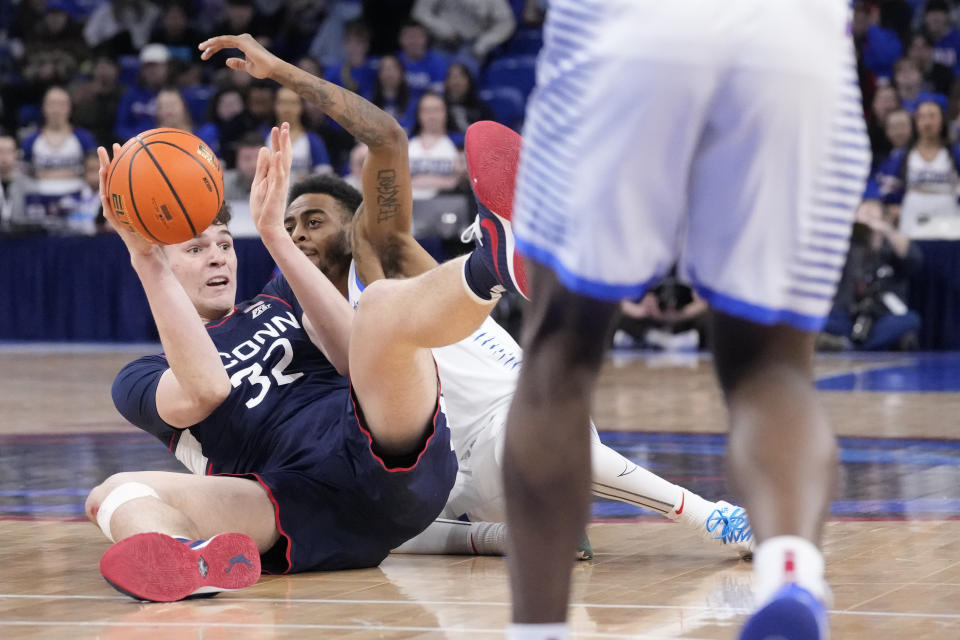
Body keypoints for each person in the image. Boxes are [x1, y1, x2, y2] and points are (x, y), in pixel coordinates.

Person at [214, 35, 753, 558]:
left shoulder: (378, 255)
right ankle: (513, 534)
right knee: (364, 508)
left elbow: (386, 138)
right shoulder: (300, 318)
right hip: (455, 478)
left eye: (314, 220)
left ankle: (712, 517)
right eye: (290, 226)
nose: (300, 233)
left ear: (353, 225)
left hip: (520, 414)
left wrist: (281, 71)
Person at [503, 2, 870, 640]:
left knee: (560, 349)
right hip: (795, 38)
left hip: (631, 28)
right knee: (773, 367)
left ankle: (540, 632)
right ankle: (793, 577)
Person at [85, 116, 465, 601]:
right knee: (112, 492)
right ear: (162, 260)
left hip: (382, 450)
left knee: (380, 307)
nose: (219, 257)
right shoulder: (141, 377)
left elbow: (357, 355)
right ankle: (186, 560)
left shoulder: (281, 294)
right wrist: (145, 260)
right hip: (291, 502)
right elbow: (207, 389)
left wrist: (275, 235)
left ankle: (482, 274)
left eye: (224, 243)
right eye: (196, 248)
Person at [878, 100, 960, 238]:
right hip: (913, 213)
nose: (927, 122)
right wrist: (891, 207)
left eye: (932, 116)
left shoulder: (954, 153)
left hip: (947, 212)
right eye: (921, 117)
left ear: (942, 120)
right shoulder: (904, 155)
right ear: (915, 122)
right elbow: (888, 187)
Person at [21, 86, 97, 230]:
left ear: (69, 108)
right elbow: (24, 171)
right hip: (39, 201)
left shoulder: (83, 138)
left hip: (77, 200)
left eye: (61, 104)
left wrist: (46, 174)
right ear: (44, 107)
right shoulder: (31, 140)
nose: (56, 109)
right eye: (52, 104)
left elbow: (95, 170)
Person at [264, 87, 332, 181]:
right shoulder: (263, 136)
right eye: (282, 102)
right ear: (275, 105)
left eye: (293, 103)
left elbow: (325, 175)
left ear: (301, 107)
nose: (287, 109)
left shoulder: (313, 140)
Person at [408, 92, 465, 200]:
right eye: (426, 111)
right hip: (409, 204)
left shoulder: (461, 143)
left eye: (436, 110)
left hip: (449, 203)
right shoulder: (405, 143)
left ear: (446, 113)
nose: (431, 115)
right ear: (418, 114)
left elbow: (464, 180)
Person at [114, 43, 171, 141]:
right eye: (148, 66)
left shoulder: (174, 95)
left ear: (166, 67)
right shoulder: (130, 95)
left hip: (167, 143)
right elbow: (120, 127)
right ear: (142, 69)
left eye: (157, 66)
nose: (152, 71)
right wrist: (138, 141)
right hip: (136, 145)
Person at [444, 62, 495, 148]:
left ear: (469, 80)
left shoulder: (482, 108)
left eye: (461, 77)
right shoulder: (441, 107)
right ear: (446, 82)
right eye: (453, 77)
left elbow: (491, 135)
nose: (457, 81)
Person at [397, 20, 449, 99]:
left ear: (425, 39)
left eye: (417, 37)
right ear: (401, 39)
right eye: (409, 37)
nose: (413, 41)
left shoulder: (439, 63)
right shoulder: (392, 62)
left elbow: (437, 96)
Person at [370, 55, 417, 134]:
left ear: (402, 73)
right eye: (384, 69)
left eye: (393, 68)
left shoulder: (413, 103)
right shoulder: (368, 103)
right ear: (379, 75)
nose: (389, 73)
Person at [0, 134, 29, 231]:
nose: (4, 156)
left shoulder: (29, 187)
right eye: (0, 151)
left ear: (16, 154)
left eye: (9, 151)